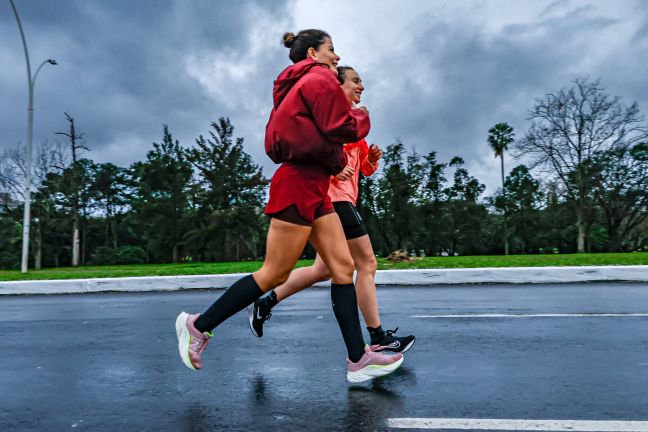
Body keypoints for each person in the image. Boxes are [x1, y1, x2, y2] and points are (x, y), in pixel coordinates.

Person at [175, 29, 403, 383]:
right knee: (274, 273)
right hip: (298, 186)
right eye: (332, 49)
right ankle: (197, 325)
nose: (337, 57)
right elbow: (339, 126)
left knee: (342, 268)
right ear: (313, 52)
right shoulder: (316, 78)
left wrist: (332, 160)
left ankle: (358, 360)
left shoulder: (301, 84)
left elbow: (310, 135)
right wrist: (363, 117)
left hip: (315, 188)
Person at [249, 66, 416, 353]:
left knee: (322, 270)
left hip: (341, 200)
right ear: (337, 86)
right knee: (367, 263)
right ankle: (377, 337)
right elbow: (322, 155)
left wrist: (371, 160)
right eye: (355, 81)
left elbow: (360, 168)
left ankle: (266, 301)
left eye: (362, 80)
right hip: (332, 200)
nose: (361, 86)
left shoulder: (347, 123)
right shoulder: (332, 120)